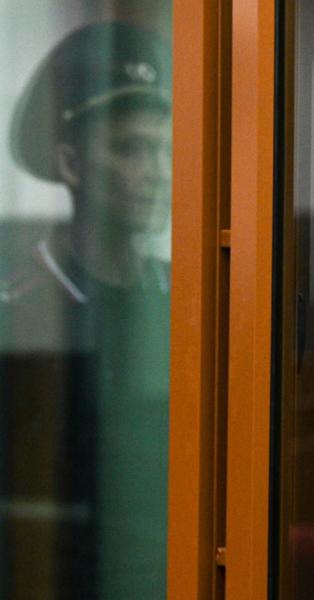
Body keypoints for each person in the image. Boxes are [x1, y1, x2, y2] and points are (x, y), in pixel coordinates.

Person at [0, 22, 171, 600]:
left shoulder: (184, 299)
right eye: (130, 149)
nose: (159, 173)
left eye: (165, 149)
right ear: (71, 164)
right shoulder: (21, 309)